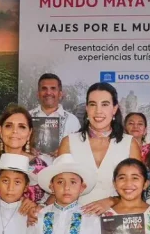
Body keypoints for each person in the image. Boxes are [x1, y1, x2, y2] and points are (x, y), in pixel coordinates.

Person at [57, 82, 141, 215]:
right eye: (93, 104)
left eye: (105, 104)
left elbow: (138, 191)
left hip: (118, 220)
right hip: (75, 220)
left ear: (114, 109)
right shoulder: (69, 142)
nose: (98, 111)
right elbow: (59, 188)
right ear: (87, 108)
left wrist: (112, 201)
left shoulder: (129, 144)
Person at [0, 104, 50, 204]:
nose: (15, 131)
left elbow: (52, 200)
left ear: (29, 133)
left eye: (22, 127)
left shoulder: (40, 167)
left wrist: (37, 207)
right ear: (0, 130)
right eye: (9, 126)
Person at [29, 73, 81, 141]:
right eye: (44, 88)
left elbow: (77, 146)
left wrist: (63, 147)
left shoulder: (72, 121)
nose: (48, 92)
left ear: (60, 94)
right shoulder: (27, 117)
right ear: (38, 94)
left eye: (53, 88)